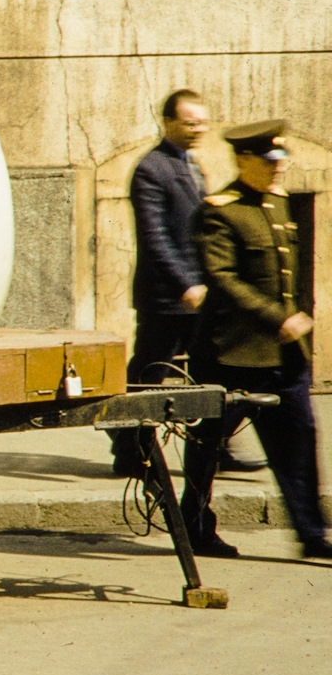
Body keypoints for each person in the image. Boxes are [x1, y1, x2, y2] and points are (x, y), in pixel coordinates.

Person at [176, 121, 332, 562]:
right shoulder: (219, 211)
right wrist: (278, 319)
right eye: (270, 161)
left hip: (282, 358)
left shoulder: (278, 204)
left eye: (282, 159)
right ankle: (196, 528)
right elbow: (222, 279)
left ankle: (311, 533)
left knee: (299, 442)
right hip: (230, 355)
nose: (279, 168)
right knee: (207, 449)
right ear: (244, 161)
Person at [114, 90, 260, 477]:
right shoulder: (151, 168)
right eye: (190, 122)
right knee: (150, 375)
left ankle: (215, 446)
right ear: (168, 123)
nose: (199, 129)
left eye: (203, 122)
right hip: (167, 298)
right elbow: (155, 238)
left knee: (214, 374)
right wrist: (186, 285)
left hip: (201, 294)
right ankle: (129, 449)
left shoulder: (192, 163)